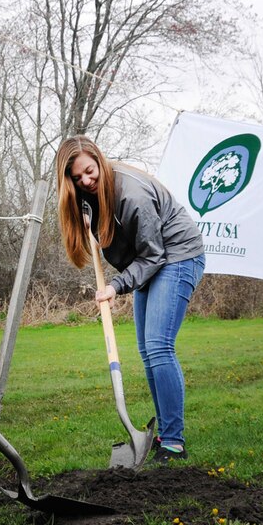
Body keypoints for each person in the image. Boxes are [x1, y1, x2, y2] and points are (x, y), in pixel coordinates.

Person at [55, 135, 205, 466]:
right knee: (147, 351)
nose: (86, 181)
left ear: (99, 160)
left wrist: (117, 285)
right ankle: (165, 434)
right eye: (77, 179)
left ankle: (174, 442)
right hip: (149, 260)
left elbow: (154, 255)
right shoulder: (87, 198)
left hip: (176, 256)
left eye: (90, 172)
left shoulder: (132, 195)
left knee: (159, 346)